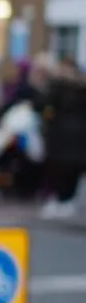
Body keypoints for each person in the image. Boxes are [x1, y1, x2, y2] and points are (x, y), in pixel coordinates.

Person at [39, 56, 86, 220]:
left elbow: (43, 104)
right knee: (68, 170)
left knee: (63, 170)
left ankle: (64, 201)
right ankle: (66, 201)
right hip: (73, 139)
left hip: (64, 139)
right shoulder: (77, 87)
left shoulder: (59, 87)